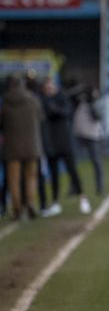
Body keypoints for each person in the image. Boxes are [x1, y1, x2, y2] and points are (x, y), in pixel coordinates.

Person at [41, 78, 91, 215]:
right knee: (54, 175)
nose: (49, 89)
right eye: (47, 87)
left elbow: (67, 112)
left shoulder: (62, 98)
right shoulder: (43, 101)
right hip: (51, 143)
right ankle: (55, 202)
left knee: (73, 171)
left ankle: (82, 198)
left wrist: (55, 108)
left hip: (65, 142)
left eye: (51, 86)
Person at [0, 76, 43, 221]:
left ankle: (17, 208)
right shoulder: (33, 100)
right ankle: (30, 203)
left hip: (12, 147)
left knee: (14, 180)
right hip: (32, 146)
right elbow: (41, 117)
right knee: (31, 177)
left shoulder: (6, 103)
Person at [73, 86, 106, 196]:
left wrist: (92, 102)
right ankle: (74, 188)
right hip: (80, 136)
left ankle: (100, 188)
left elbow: (97, 116)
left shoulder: (96, 104)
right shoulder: (80, 104)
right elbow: (69, 96)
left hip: (92, 136)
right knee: (73, 163)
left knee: (96, 162)